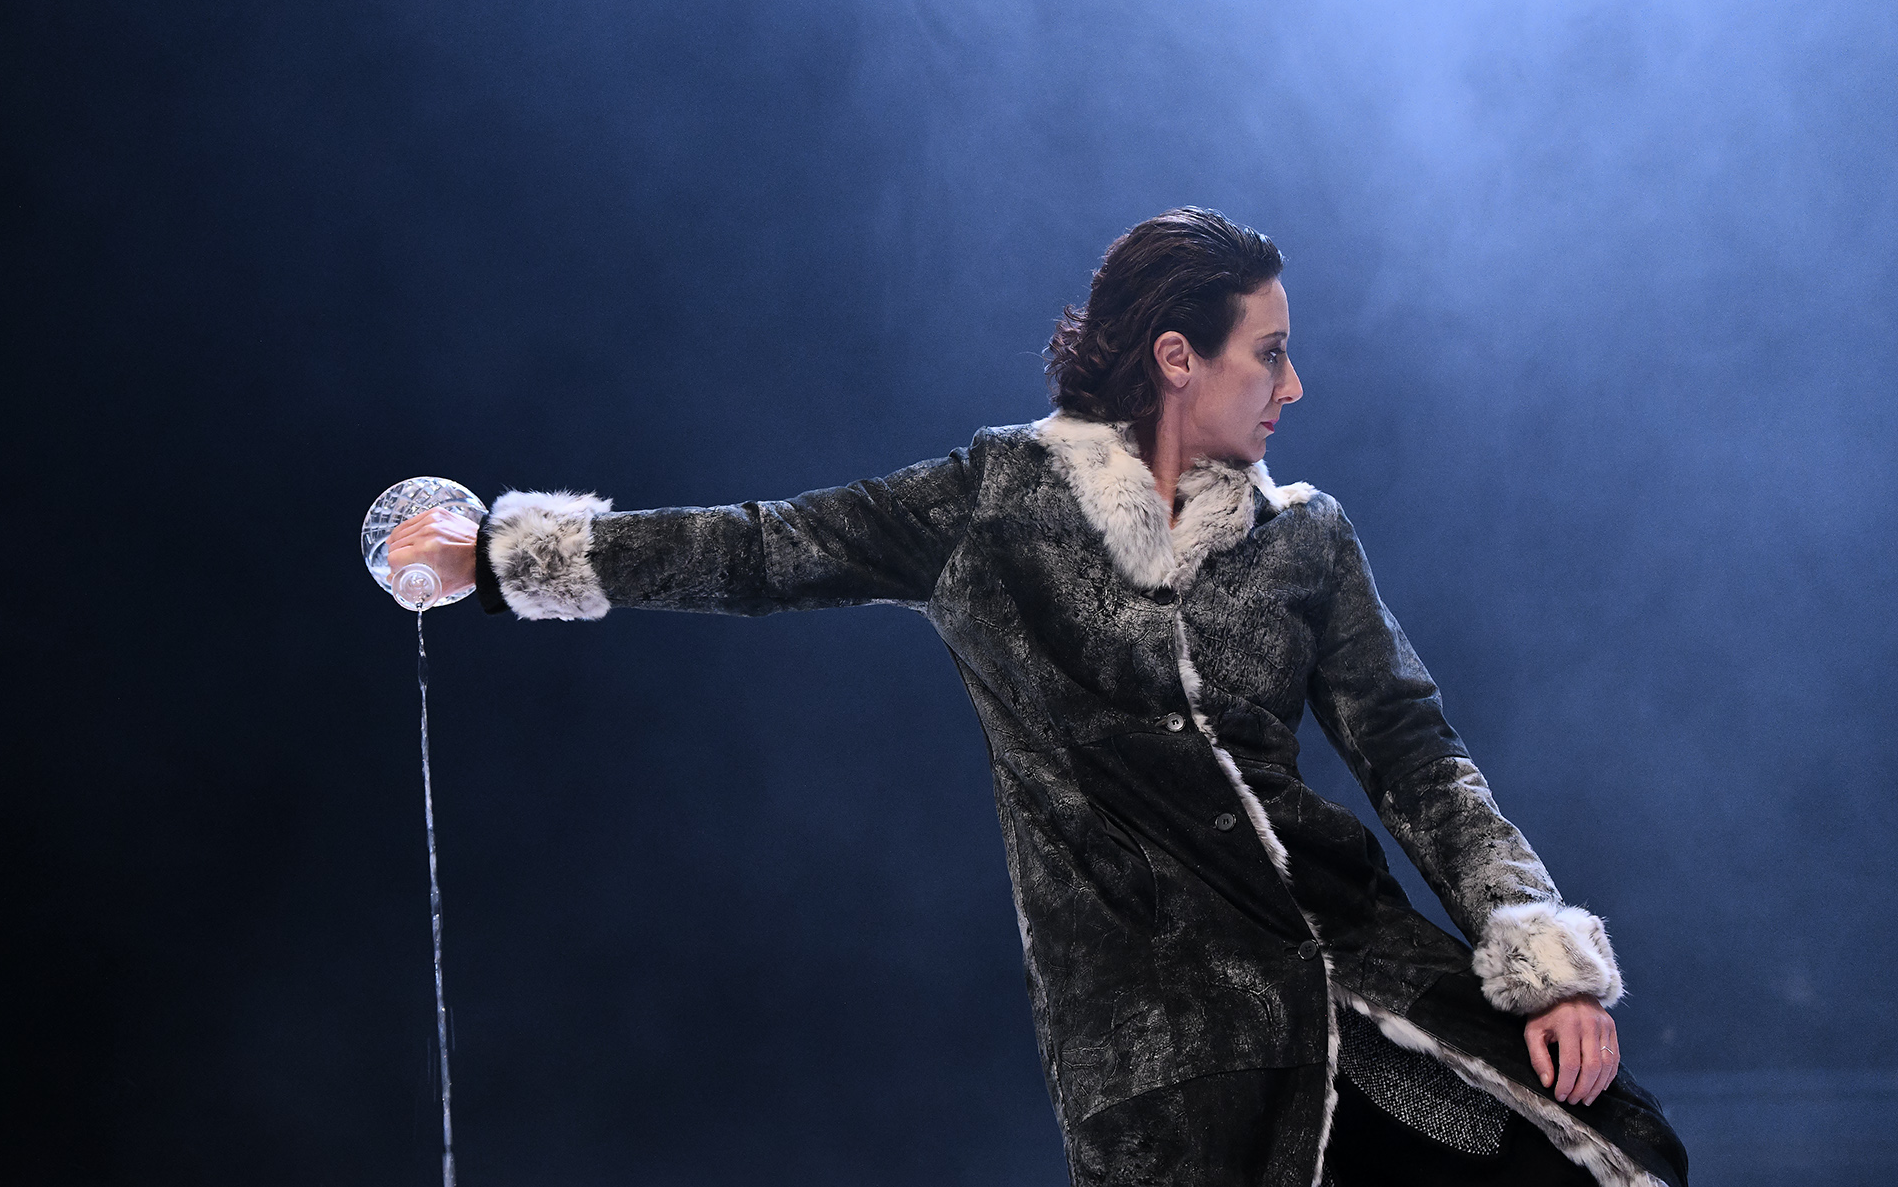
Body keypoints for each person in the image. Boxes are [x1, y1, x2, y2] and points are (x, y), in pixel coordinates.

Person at [386, 208, 1687, 1187]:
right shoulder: (997, 508)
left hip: (1361, 978)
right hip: (1168, 1051)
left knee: (1619, 1156)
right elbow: (762, 549)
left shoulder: (1306, 537)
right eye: (1271, 354)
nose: (1294, 387)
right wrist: (500, 553)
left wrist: (1541, 961)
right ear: (1177, 358)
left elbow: (1416, 753)